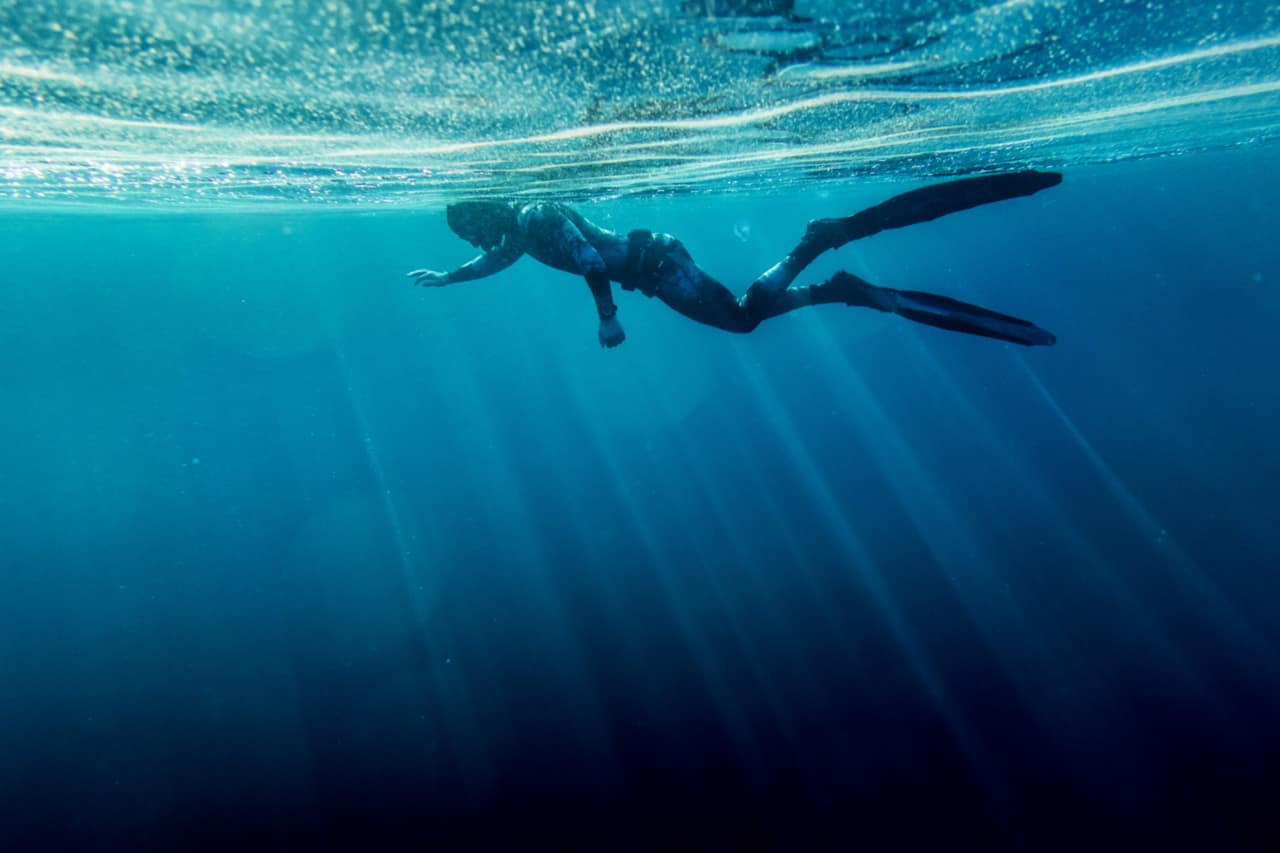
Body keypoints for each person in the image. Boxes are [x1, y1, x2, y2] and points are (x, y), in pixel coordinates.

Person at [408, 170, 1061, 349]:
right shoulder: (518, 233)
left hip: (656, 266)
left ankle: (818, 249)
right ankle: (834, 283)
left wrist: (606, 318)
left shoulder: (534, 215)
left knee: (744, 319)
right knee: (743, 319)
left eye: (466, 231)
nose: (470, 242)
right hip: (654, 266)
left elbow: (590, 261)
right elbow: (495, 261)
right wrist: (449, 278)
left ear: (484, 213)